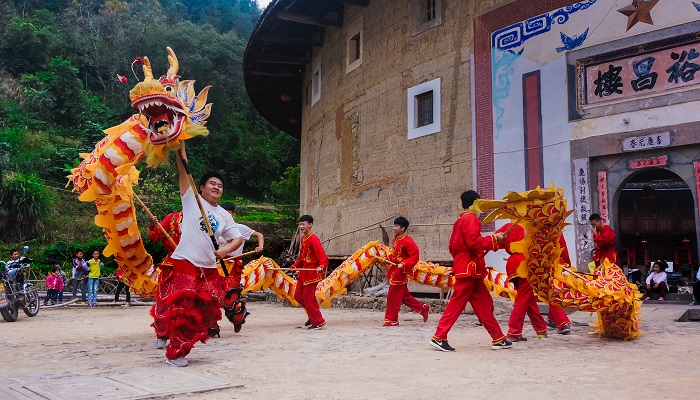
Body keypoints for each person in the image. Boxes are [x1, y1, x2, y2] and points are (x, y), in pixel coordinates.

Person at [158, 145, 243, 367]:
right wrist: (181, 146)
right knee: (184, 310)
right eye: (212, 184)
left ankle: (184, 342)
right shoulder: (192, 199)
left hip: (209, 268)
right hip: (186, 261)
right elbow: (183, 170)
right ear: (202, 187)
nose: (217, 187)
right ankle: (174, 353)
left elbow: (237, 239)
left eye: (220, 186)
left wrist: (225, 250)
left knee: (209, 311)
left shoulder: (224, 215)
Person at [430, 190, 511, 352]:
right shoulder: (471, 220)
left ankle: (498, 338)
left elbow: (453, 247)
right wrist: (494, 239)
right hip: (470, 269)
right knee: (457, 304)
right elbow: (474, 243)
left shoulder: (460, 221)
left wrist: (459, 263)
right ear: (475, 203)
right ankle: (439, 336)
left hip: (469, 268)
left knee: (484, 304)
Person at [495, 222, 548, 341]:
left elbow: (496, 240)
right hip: (524, 264)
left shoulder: (507, 226)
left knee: (527, 298)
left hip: (512, 263)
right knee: (523, 298)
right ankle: (514, 331)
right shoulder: (530, 226)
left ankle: (541, 329)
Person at [383, 216, 430, 327]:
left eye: (396, 226)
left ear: (402, 228)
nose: (393, 228)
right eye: (394, 226)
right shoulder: (396, 239)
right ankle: (423, 308)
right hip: (395, 269)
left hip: (401, 271)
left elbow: (414, 256)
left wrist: (404, 264)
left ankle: (392, 319)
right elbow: (395, 254)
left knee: (392, 295)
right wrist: (389, 259)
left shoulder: (408, 241)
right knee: (403, 296)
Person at [148, 210, 183, 348]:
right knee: (164, 299)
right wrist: (153, 225)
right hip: (172, 263)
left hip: (193, 263)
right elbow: (156, 236)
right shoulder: (172, 218)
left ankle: (182, 338)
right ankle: (162, 335)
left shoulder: (204, 218)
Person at [290, 215, 328, 330]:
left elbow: (323, 257)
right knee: (297, 295)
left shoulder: (313, 238)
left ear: (310, 225)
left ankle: (318, 322)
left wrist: (322, 266)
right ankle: (313, 316)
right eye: (300, 224)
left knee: (308, 298)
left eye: (303, 224)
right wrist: (294, 266)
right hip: (304, 272)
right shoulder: (303, 239)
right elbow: (302, 258)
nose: (301, 226)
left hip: (312, 273)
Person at [545, 235, 572, 334]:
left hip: (547, 266)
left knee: (553, 293)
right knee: (554, 293)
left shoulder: (539, 230)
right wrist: (568, 264)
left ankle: (560, 322)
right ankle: (557, 321)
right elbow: (564, 249)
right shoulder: (557, 231)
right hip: (557, 266)